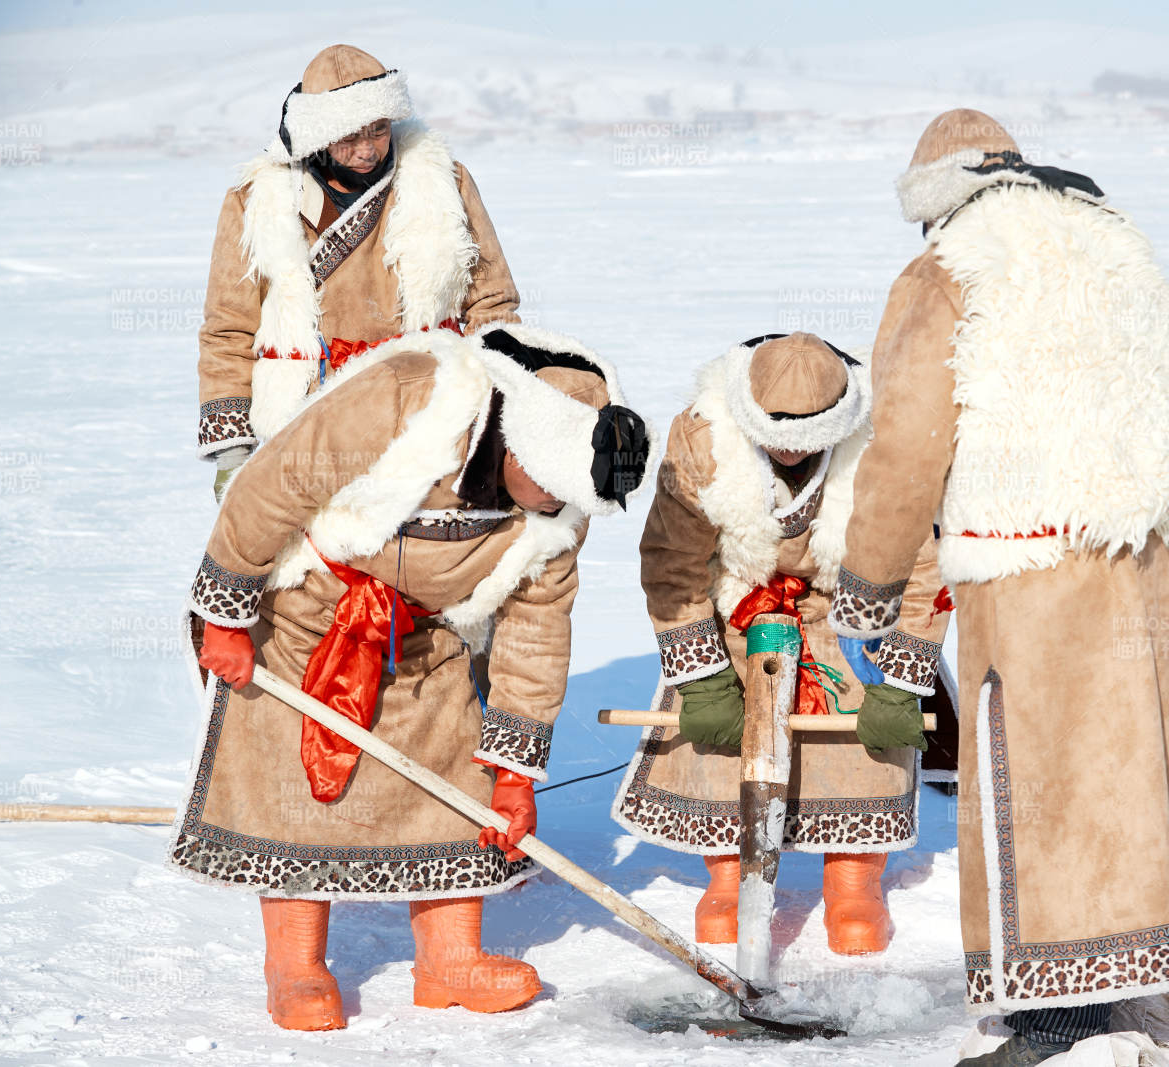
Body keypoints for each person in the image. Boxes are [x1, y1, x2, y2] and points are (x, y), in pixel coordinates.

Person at [829, 110, 1169, 1064]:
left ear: (934, 202)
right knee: (1132, 765)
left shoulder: (948, 268)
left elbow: (910, 444)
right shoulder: (1113, 234)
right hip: (1153, 544)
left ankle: (1057, 1016)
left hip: (1028, 555)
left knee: (1035, 773)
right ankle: (1139, 976)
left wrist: (870, 587)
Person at [173, 323, 650, 1030]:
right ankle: (295, 964)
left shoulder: (566, 492)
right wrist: (225, 616)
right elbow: (276, 479)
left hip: (423, 630)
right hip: (306, 602)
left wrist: (515, 772)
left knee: (461, 778)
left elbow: (536, 629)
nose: (551, 511)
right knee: (297, 788)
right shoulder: (414, 395)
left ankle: (449, 961)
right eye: (545, 493)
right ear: (519, 444)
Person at [611, 332, 953, 955]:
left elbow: (921, 567)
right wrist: (701, 675)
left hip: (844, 605)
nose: (791, 454)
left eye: (808, 444)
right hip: (736, 602)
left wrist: (902, 682)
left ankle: (854, 881)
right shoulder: (701, 438)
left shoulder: (882, 443)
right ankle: (726, 875)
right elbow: (671, 563)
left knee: (859, 729)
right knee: (716, 737)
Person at [196, 43, 520, 496]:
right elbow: (229, 329)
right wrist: (232, 454)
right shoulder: (256, 203)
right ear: (318, 135)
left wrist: (499, 410)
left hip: (429, 408)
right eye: (350, 136)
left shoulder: (445, 182)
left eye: (380, 130)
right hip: (309, 422)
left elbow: (492, 302)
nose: (368, 149)